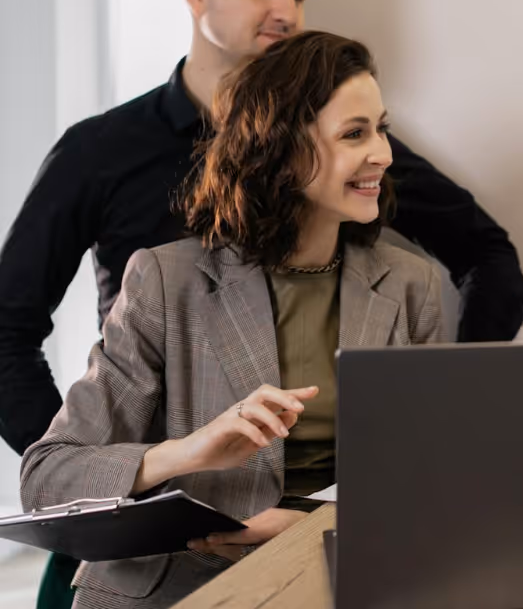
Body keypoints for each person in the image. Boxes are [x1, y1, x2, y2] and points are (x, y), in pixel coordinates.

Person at [0, 0, 523, 608]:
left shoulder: (404, 276)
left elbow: (486, 259)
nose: (286, 11)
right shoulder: (115, 182)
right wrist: (125, 482)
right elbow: (19, 355)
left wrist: (449, 396)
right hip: (159, 539)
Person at [21, 30, 441, 609]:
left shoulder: (411, 284)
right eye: (354, 134)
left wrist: (319, 525)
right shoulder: (166, 282)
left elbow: (429, 477)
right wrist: (191, 451)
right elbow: (48, 476)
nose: (384, 154)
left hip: (351, 573)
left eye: (381, 128)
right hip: (175, 584)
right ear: (282, 149)